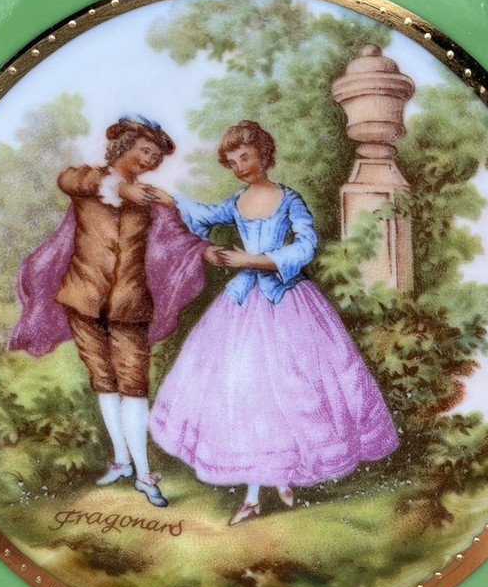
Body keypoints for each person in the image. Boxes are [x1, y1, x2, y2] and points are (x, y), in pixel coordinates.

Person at [148, 120, 399, 525]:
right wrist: (168, 199)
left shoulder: (288, 199)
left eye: (245, 157)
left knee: (292, 388)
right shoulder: (236, 201)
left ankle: (281, 475)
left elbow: (306, 245)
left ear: (264, 155)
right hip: (242, 304)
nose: (240, 167)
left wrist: (251, 259)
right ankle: (254, 494)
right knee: (245, 391)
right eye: (232, 162)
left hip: (287, 301)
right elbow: (201, 215)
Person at [53, 115, 180, 508]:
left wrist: (173, 204)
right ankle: (122, 461)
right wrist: (121, 188)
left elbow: (177, 228)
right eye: (145, 151)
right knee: (104, 382)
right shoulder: (88, 179)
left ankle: (143, 475)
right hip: (84, 297)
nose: (150, 161)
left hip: (129, 302)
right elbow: (67, 180)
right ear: (125, 146)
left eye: (156, 157)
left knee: (134, 387)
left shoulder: (148, 196)